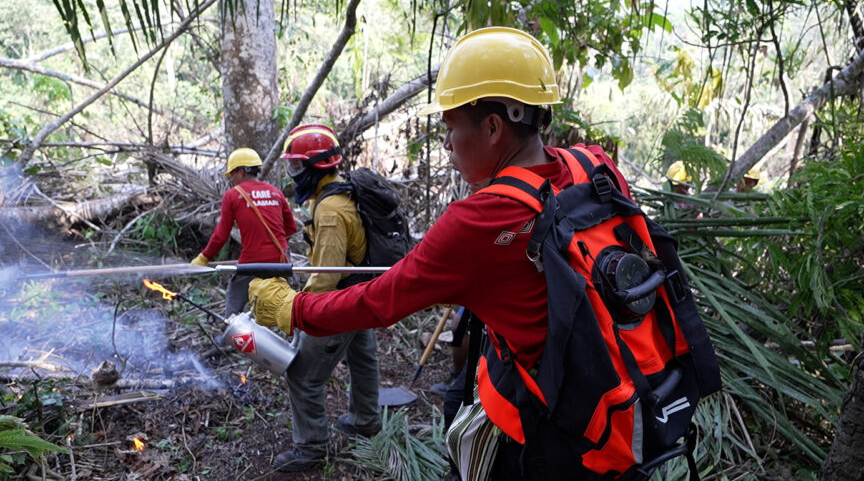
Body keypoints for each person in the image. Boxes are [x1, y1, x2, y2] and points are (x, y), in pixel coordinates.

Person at [247, 27, 613, 479]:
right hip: (624, 390)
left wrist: (292, 308)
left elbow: (378, 302)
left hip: (554, 429)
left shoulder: (477, 221)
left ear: (494, 128)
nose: (446, 145)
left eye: (451, 127)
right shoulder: (593, 165)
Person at [268, 124, 381, 473]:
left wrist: (298, 313)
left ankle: (312, 447)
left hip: (341, 300)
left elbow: (326, 278)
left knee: (303, 375)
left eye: (297, 167)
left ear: (317, 167)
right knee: (363, 360)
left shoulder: (331, 210)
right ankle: (365, 419)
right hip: (360, 294)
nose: (293, 175)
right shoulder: (340, 194)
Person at [190, 147, 297, 318]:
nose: (231, 179)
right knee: (289, 308)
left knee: (233, 310)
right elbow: (291, 228)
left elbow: (221, 235)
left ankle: (233, 340)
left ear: (241, 172)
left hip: (251, 263)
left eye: (232, 174)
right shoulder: (276, 192)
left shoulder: (233, 195)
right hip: (281, 260)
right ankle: (294, 342)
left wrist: (204, 257)